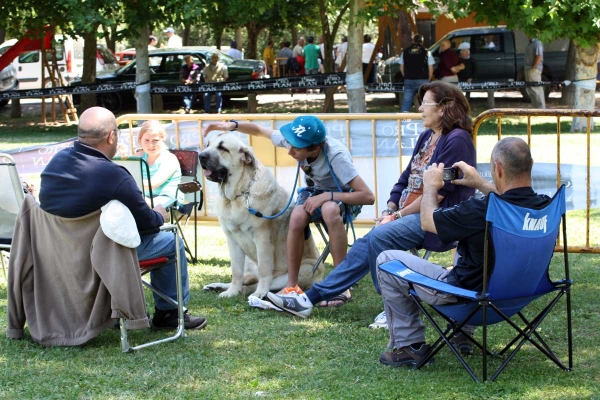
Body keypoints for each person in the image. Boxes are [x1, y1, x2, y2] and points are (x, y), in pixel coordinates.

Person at [267, 81, 476, 317]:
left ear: (444, 108)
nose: (419, 109)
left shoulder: (457, 139)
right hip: (411, 214)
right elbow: (406, 177)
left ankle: (394, 308)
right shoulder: (428, 135)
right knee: (366, 243)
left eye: (425, 104)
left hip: (436, 218)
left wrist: (396, 216)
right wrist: (390, 207)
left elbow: (437, 192)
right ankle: (309, 299)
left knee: (379, 236)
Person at [376, 137, 550, 367]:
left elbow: (428, 222)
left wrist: (429, 187)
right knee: (468, 245)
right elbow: (509, 203)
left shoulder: (479, 210)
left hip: (470, 300)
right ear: (531, 164)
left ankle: (411, 346)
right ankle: (462, 334)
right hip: (519, 296)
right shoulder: (545, 207)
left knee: (386, 259)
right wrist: (480, 183)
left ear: (497, 168)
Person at [38, 107, 207, 330]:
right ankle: (170, 314)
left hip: (61, 254)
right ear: (111, 136)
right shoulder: (113, 174)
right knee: (170, 241)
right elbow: (149, 224)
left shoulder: (55, 163)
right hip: (104, 256)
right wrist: (158, 212)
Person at [204, 116, 375, 301]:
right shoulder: (296, 141)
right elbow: (260, 131)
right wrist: (233, 125)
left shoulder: (337, 156)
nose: (289, 151)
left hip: (341, 194)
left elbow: (367, 196)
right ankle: (291, 284)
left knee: (329, 210)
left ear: (315, 148)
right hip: (315, 191)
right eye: (290, 145)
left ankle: (342, 286)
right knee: (297, 214)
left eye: (296, 149)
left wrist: (328, 197)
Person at [137, 120, 184, 207]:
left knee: (139, 204)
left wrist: (127, 185)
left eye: (155, 140)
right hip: (143, 198)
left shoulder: (170, 159)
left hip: (168, 199)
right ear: (140, 140)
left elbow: (152, 184)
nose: (151, 145)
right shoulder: (138, 156)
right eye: (146, 140)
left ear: (163, 139)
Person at [399, 34, 435, 112]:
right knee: (425, 102)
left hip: (409, 79)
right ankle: (426, 120)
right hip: (423, 80)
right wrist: (428, 80)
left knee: (406, 102)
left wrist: (406, 76)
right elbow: (431, 69)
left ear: (413, 41)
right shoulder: (427, 52)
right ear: (422, 41)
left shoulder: (405, 52)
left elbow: (401, 67)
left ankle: (404, 120)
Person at [525, 38, 546, 109]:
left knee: (536, 89)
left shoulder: (538, 43)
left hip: (533, 69)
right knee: (530, 89)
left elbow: (539, 56)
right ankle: (536, 109)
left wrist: (534, 66)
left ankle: (542, 109)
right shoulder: (530, 43)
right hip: (528, 68)